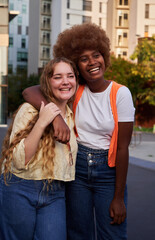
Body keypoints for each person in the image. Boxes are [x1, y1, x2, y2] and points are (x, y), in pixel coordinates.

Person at [22, 23, 135, 240]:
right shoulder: (75, 90)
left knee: (112, 233)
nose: (92, 62)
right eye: (84, 59)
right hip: (77, 169)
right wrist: (56, 117)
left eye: (96, 55)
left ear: (104, 57)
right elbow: (30, 92)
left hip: (108, 173)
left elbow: (122, 148)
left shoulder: (120, 94)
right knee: (77, 233)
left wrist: (119, 197)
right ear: (76, 65)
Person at [0, 57, 78, 240]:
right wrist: (43, 122)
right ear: (47, 82)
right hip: (20, 187)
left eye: (70, 76)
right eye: (58, 77)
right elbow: (19, 162)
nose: (65, 81)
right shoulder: (29, 110)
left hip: (55, 191)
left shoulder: (71, 113)